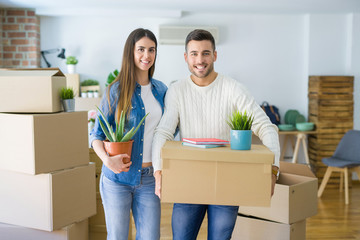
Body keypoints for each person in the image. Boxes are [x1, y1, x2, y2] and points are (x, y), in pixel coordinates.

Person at [151, 29, 280, 240]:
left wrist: (273, 171)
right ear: (186, 57)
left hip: (227, 181)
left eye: (205, 53)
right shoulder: (177, 90)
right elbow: (163, 132)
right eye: (194, 54)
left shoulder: (233, 89)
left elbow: (267, 127)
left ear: (215, 55)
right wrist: (158, 172)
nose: (200, 60)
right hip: (189, 179)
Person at [90, 28, 167, 240]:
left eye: (151, 50)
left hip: (150, 179)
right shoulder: (115, 91)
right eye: (141, 49)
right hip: (117, 179)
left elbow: (168, 130)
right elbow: (95, 135)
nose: (147, 55)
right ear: (130, 52)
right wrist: (107, 160)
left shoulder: (161, 90)